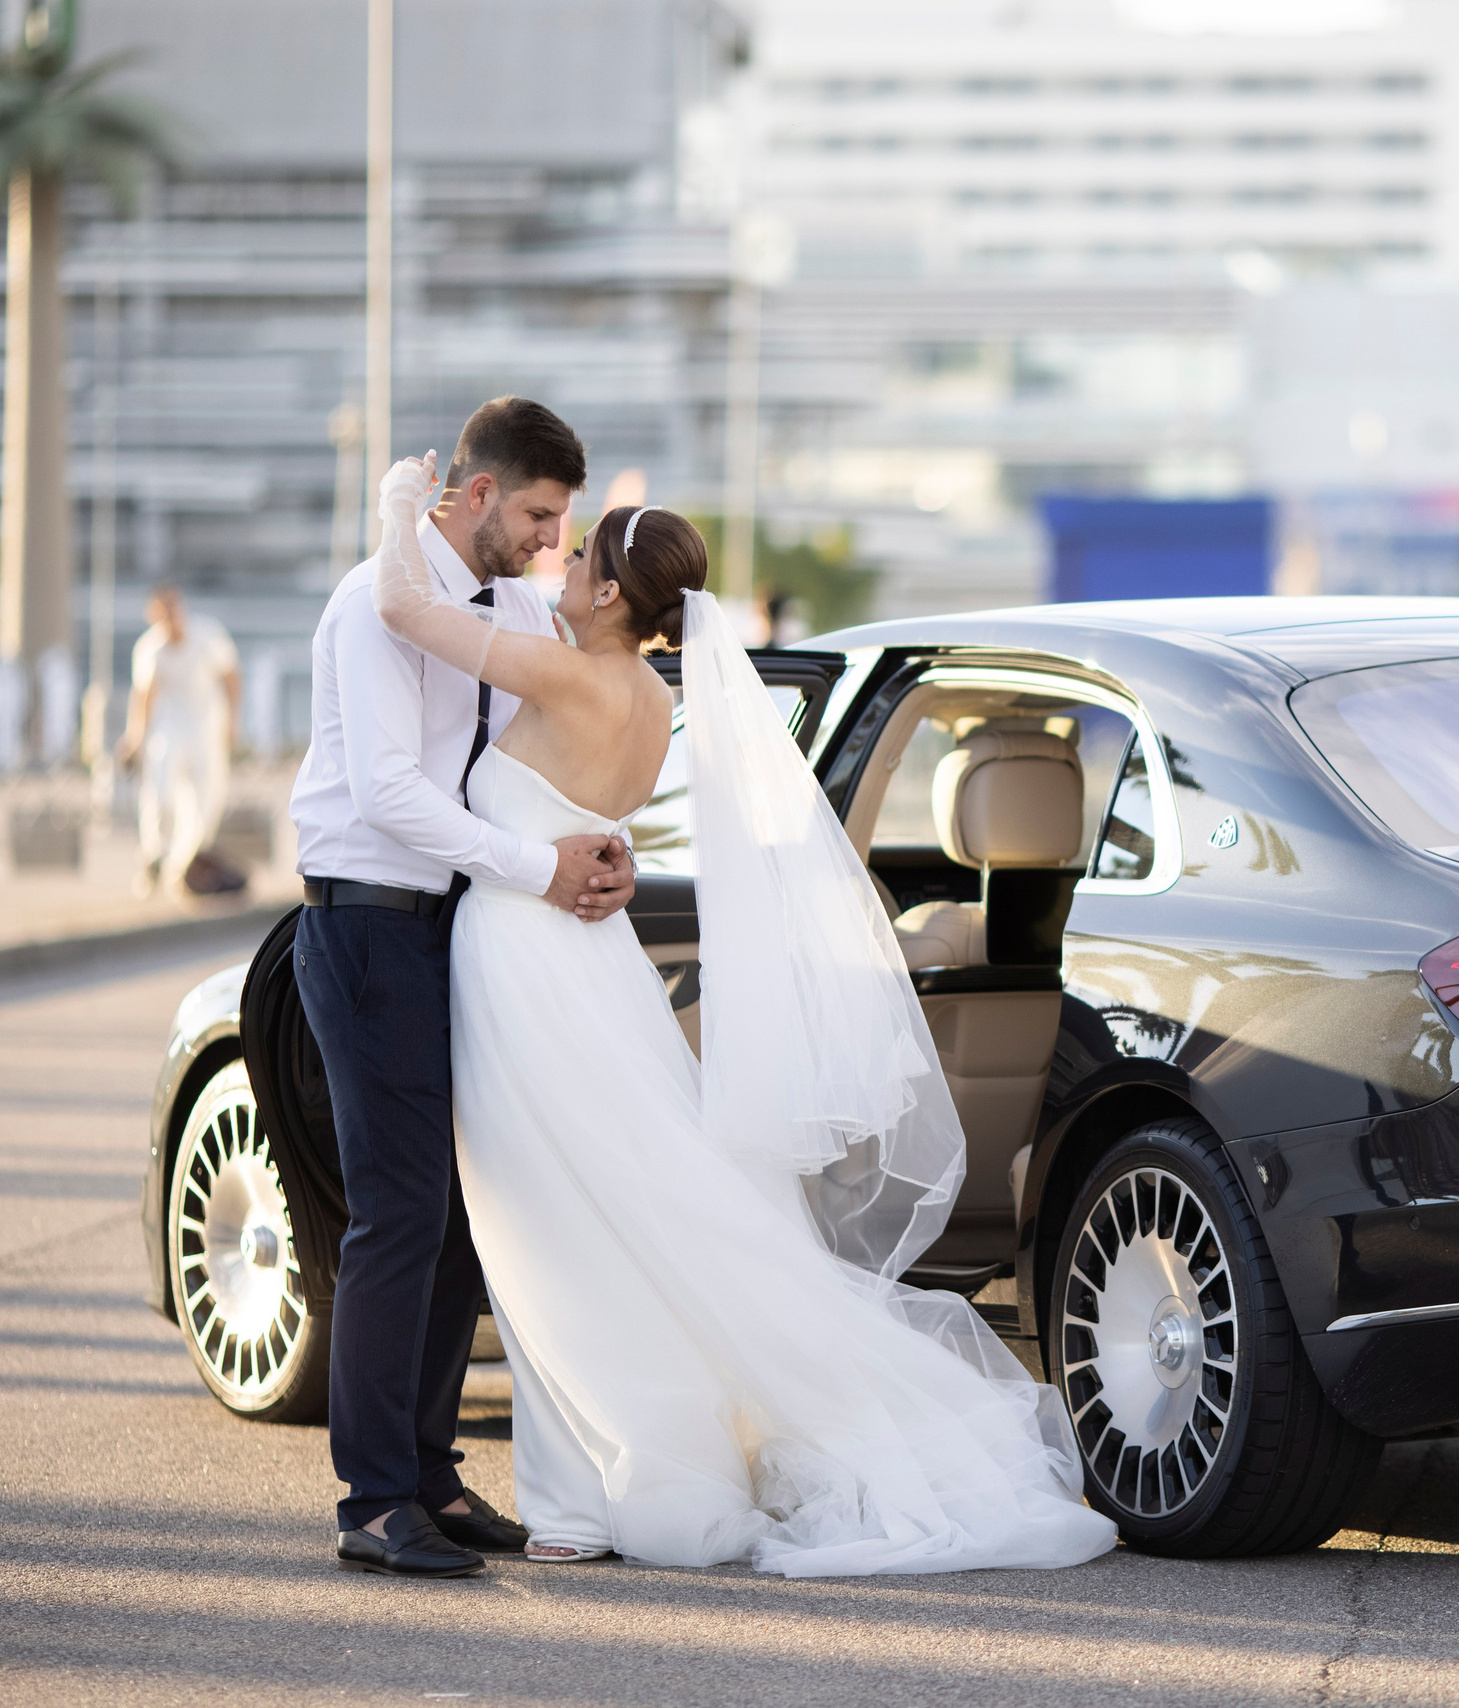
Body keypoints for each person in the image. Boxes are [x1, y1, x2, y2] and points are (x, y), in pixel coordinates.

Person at [369, 452, 1118, 1576]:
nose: (560, 568)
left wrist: (395, 503)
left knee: (549, 1224)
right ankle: (602, 1480)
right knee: (603, 1212)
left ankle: (592, 1495)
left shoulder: (570, 677)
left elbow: (400, 604)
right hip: (588, 959)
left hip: (528, 960)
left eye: (579, 558)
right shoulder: (651, 694)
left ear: (615, 596)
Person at [289, 398, 637, 1579]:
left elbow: (549, 745)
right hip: (370, 927)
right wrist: (541, 869)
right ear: (478, 493)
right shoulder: (371, 602)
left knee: (459, 1226)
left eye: (564, 524)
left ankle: (429, 1477)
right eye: (539, 515)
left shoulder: (516, 603)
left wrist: (592, 842)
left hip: (459, 930)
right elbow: (389, 792)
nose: (552, 543)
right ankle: (372, 1501)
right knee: (401, 1212)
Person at [117, 586, 240, 897]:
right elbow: (144, 695)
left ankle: (186, 864)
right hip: (170, 728)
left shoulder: (208, 636)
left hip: (207, 728)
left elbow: (231, 678)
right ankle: (153, 857)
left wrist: (232, 723)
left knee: (205, 799)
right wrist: (135, 738)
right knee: (158, 792)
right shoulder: (150, 649)